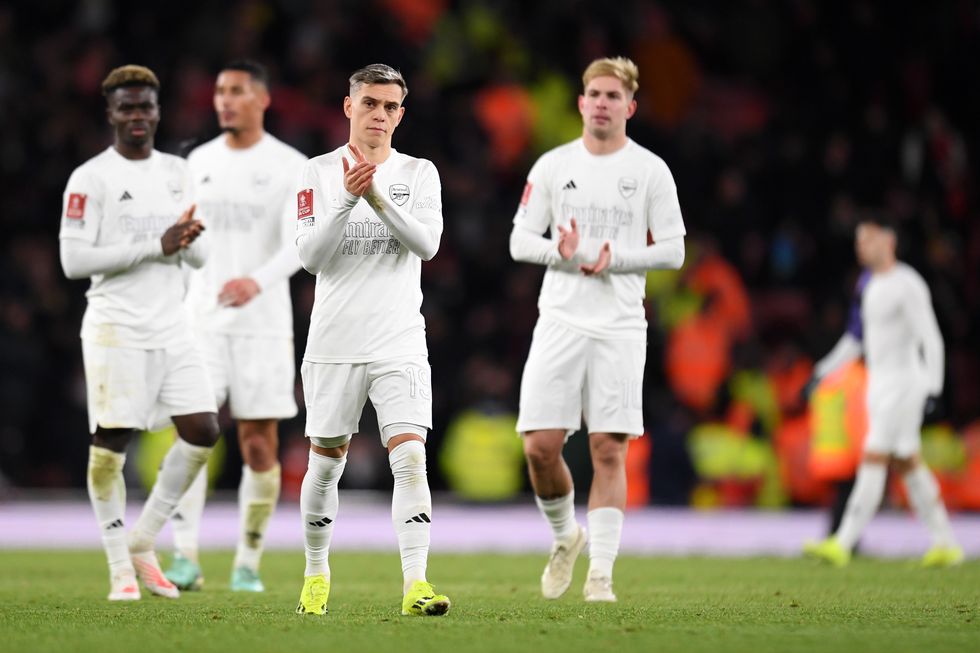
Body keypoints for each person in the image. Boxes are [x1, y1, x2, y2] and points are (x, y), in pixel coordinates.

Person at [509, 57, 686, 602]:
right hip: (560, 318)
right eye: (596, 94)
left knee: (609, 448)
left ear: (630, 106)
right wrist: (563, 254)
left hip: (620, 324)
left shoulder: (651, 170)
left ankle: (601, 575)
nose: (603, 104)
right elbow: (519, 240)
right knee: (539, 447)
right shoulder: (553, 165)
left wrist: (616, 259)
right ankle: (567, 536)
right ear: (581, 103)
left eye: (614, 96)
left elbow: (674, 250)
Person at [292, 63, 450, 617]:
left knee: (410, 457)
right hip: (334, 341)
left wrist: (376, 196)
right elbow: (310, 257)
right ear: (348, 106)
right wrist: (345, 197)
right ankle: (316, 575)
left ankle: (416, 584)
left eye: (389, 106)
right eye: (369, 103)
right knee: (325, 464)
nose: (379, 114)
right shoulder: (316, 172)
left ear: (400, 115)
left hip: (398, 339)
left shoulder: (420, 173)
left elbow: (427, 245)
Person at [58, 65, 220, 601]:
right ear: (110, 112)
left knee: (203, 429)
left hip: (173, 325)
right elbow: (73, 260)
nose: (136, 115)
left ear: (157, 111)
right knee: (112, 442)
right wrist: (158, 244)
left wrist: (189, 239)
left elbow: (200, 254)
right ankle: (118, 570)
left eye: (145, 106)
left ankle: (143, 538)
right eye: (126, 106)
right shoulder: (91, 178)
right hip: (116, 328)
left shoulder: (178, 171)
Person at [163, 60, 307, 593]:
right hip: (202, 321)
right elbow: (187, 241)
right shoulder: (197, 162)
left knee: (259, 446)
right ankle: (184, 556)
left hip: (262, 325)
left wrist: (256, 282)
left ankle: (248, 562)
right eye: (220, 91)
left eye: (237, 91)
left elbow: (300, 243)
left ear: (263, 99)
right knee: (192, 434)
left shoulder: (291, 166)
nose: (224, 100)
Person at [804, 216, 963, 567]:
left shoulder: (907, 284)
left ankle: (842, 542)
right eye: (859, 241)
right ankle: (946, 543)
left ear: (889, 240)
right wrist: (822, 372)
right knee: (908, 463)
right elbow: (856, 339)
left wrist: (933, 388)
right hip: (879, 385)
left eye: (869, 240)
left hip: (905, 384)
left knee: (873, 456)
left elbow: (930, 337)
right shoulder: (867, 284)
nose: (862, 247)